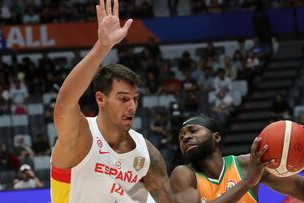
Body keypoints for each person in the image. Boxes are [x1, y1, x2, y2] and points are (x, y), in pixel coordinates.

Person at [50, 1, 197, 202]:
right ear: (100, 98)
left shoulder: (146, 152)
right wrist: (103, 47)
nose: (132, 106)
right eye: (123, 99)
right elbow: (64, 104)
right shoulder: (81, 136)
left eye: (135, 99)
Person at [170, 115, 304, 203]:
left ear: (216, 137)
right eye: (181, 136)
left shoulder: (247, 165)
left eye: (193, 131)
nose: (186, 137)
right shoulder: (183, 175)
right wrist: (247, 182)